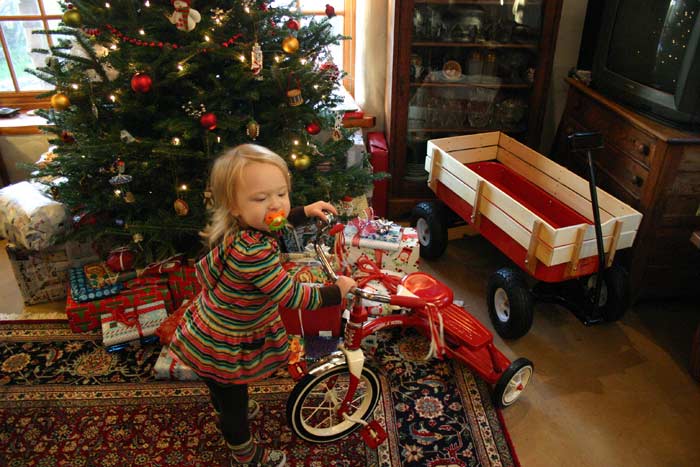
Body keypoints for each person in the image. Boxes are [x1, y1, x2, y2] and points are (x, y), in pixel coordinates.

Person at [169, 144, 356, 467]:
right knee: (234, 401)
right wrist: (335, 293)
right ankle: (244, 453)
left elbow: (277, 222)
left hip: (213, 325)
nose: (276, 205)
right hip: (226, 339)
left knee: (219, 383)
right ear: (234, 207)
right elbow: (293, 296)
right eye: (261, 198)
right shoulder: (252, 254)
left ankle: (221, 406)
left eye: (281, 193)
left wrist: (303, 211)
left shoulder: (244, 227)